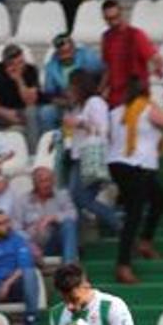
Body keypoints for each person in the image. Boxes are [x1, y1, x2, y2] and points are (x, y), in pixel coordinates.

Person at [108, 81, 163, 284]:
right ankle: (123, 265)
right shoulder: (147, 108)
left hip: (118, 164)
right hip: (137, 166)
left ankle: (145, 242)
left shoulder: (117, 112)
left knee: (160, 198)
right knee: (134, 213)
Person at [64, 69, 121, 233]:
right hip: (80, 156)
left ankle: (118, 223)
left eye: (71, 87)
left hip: (89, 156)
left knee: (79, 197)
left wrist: (79, 123)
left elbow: (102, 129)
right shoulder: (80, 106)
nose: (68, 91)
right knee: (78, 198)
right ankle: (81, 238)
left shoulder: (95, 102)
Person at [0, 44, 59, 154]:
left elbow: (30, 101)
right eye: (16, 63)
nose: (21, 65)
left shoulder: (30, 70)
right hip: (5, 110)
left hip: (24, 110)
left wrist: (19, 79)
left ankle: (32, 153)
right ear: (7, 64)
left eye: (21, 61)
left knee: (31, 112)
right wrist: (7, 113)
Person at [100, 0, 163, 108]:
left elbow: (156, 58)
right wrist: (101, 90)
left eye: (116, 17)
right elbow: (108, 68)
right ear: (104, 19)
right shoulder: (106, 37)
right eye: (109, 19)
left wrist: (157, 68)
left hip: (135, 99)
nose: (113, 22)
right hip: (114, 99)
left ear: (122, 13)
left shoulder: (136, 35)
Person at [16, 166, 78, 264]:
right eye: (42, 181)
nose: (47, 184)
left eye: (49, 180)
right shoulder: (23, 200)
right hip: (34, 245)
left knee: (69, 223)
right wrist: (29, 244)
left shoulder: (62, 195)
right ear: (34, 183)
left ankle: (69, 265)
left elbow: (73, 214)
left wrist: (52, 218)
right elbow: (15, 228)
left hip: (55, 242)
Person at [43, 33, 103, 107]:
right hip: (66, 101)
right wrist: (63, 102)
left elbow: (102, 73)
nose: (66, 56)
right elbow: (49, 93)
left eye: (68, 51)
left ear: (74, 47)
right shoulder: (51, 67)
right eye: (62, 53)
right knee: (47, 111)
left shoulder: (87, 55)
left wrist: (97, 93)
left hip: (89, 97)